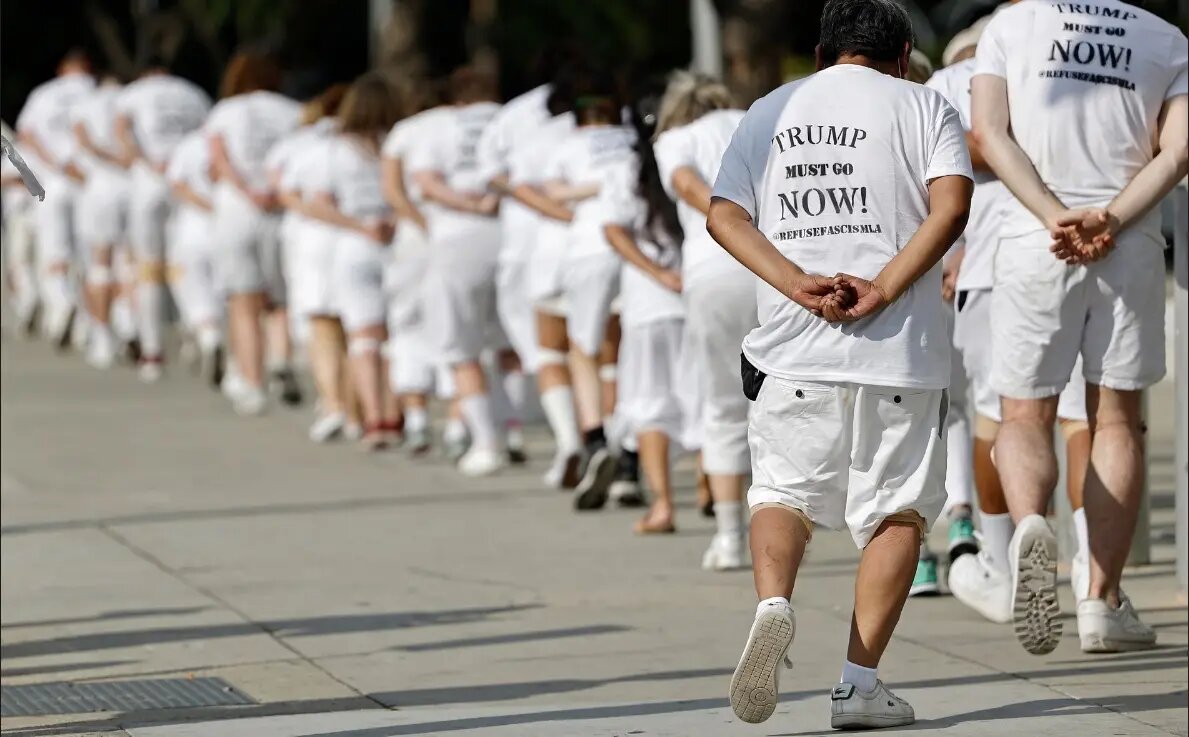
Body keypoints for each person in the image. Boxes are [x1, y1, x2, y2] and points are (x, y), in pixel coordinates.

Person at [709, 0, 973, 727]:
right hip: (898, 349)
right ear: (900, 56)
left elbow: (723, 214)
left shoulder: (770, 108)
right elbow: (950, 207)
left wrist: (795, 279)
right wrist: (884, 285)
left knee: (783, 494)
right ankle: (858, 685)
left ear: (823, 56)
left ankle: (772, 604)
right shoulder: (922, 104)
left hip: (795, 341)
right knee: (896, 510)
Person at [972, 0, 1186, 655]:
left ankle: (1031, 522)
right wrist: (1110, 219)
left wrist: (1051, 215)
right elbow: (1178, 153)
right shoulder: (1165, 37)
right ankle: (1101, 598)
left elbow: (987, 134)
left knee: (1023, 415)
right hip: (1127, 247)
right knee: (1115, 420)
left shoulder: (1008, 26)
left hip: (1036, 243)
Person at [927, 19, 1094, 624]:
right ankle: (1092, 576)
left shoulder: (948, 80)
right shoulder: (1063, 60)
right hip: (1073, 248)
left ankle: (1002, 562)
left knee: (997, 419)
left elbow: (952, 158)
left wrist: (998, 143)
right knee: (1081, 420)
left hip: (993, 265)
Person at [652, 72, 751, 570]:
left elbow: (686, 184)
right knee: (789, 393)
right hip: (776, 265)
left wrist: (729, 219)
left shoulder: (673, 139)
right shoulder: (756, 121)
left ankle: (731, 537)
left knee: (724, 404)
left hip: (713, 271)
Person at [540, 69, 638, 509]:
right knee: (625, 351)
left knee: (584, 346)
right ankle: (630, 459)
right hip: (637, 247)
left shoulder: (567, 145)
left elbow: (553, 192)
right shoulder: (633, 141)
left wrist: (589, 189)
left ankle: (596, 438)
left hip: (589, 248)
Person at [407, 67, 505, 476]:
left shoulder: (439, 127)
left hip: (456, 240)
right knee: (511, 341)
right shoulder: (509, 118)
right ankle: (515, 428)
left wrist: (467, 204)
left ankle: (485, 442)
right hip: (509, 235)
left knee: (460, 345)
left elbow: (426, 181)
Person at [602, 82, 689, 532]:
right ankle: (715, 494)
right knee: (702, 400)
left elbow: (614, 231)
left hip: (647, 305)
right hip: (693, 300)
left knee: (651, 405)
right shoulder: (691, 158)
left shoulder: (625, 169)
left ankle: (663, 506)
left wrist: (656, 274)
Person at [305, 73, 404, 450]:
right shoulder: (397, 143)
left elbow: (318, 203)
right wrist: (391, 221)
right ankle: (396, 415)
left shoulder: (333, 149)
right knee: (394, 334)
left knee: (362, 335)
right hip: (396, 243)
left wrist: (360, 225)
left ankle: (373, 417)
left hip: (354, 243)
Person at [205, 50, 302, 415]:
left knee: (243, 303)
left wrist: (247, 191)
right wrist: (274, 193)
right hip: (279, 212)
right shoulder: (292, 111)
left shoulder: (225, 112)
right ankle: (281, 360)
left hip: (238, 211)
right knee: (279, 300)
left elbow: (218, 159)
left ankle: (253, 381)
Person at [115, 54, 211, 381]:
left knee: (148, 270)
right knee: (183, 265)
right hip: (183, 183)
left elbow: (121, 130)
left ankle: (153, 353)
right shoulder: (193, 93)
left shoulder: (134, 93)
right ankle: (198, 329)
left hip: (149, 183)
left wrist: (140, 159)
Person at [271, 85, 358, 442]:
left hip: (314, 241)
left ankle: (333, 404)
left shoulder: (304, 146)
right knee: (358, 329)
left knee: (323, 327)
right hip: (362, 241)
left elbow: (285, 191)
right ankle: (358, 410)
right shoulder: (371, 145)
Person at [380, 81, 449, 455]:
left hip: (415, 239)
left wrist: (419, 222)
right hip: (466, 232)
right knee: (460, 326)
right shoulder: (464, 125)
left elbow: (393, 190)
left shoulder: (404, 133)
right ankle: (459, 420)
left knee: (407, 324)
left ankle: (418, 418)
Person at [16, 49, 95, 349]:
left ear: (63, 69)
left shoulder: (44, 94)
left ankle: (62, 304)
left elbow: (27, 133)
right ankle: (86, 328)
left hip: (55, 183)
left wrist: (56, 163)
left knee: (56, 253)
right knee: (89, 257)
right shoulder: (97, 93)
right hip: (89, 184)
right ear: (88, 69)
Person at [71, 70, 131, 370]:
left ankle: (102, 334)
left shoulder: (85, 104)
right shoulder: (131, 98)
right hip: (131, 185)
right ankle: (129, 323)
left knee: (99, 262)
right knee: (128, 261)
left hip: (100, 186)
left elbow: (80, 142)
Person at [164, 127, 223, 386]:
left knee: (191, 288)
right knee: (229, 295)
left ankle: (207, 335)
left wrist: (203, 205)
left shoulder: (190, 143)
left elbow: (176, 183)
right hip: (229, 227)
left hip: (193, 229)